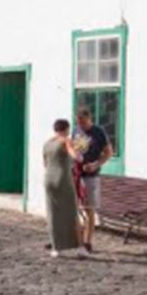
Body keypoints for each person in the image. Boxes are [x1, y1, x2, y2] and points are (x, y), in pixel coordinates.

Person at [42, 119, 86, 258]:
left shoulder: (47, 143)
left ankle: (56, 248)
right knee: (72, 213)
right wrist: (80, 154)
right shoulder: (66, 141)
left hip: (49, 179)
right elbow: (76, 156)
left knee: (53, 213)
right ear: (66, 129)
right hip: (63, 179)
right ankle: (80, 248)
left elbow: (45, 163)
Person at [75, 108, 113, 253]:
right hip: (77, 175)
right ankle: (77, 239)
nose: (81, 126)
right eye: (78, 123)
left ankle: (87, 241)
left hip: (91, 176)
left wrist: (96, 164)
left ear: (89, 119)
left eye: (83, 123)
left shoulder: (99, 132)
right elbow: (75, 150)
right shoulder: (76, 131)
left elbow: (108, 152)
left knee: (89, 208)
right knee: (76, 209)